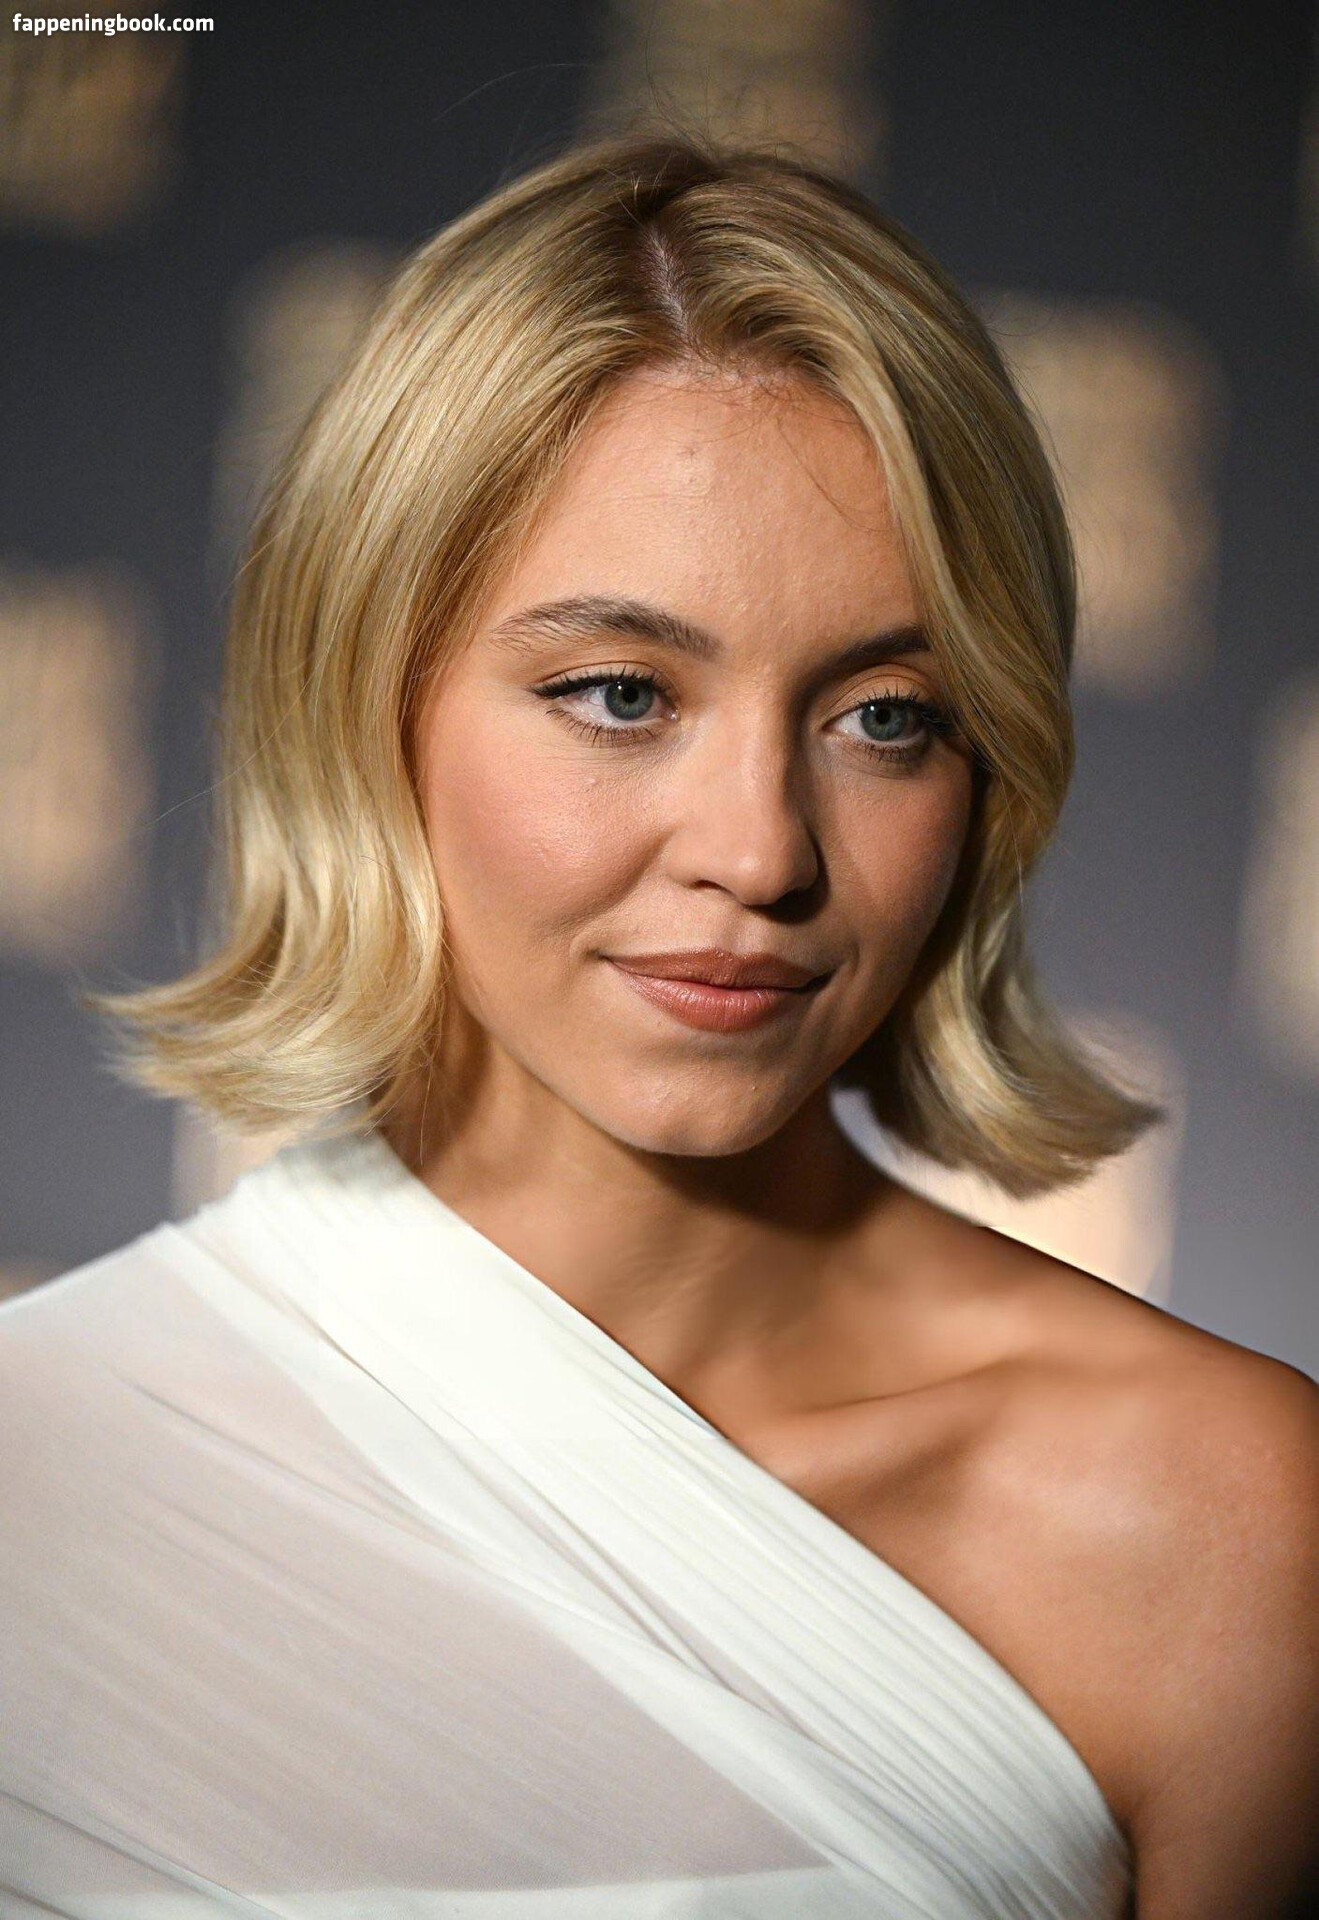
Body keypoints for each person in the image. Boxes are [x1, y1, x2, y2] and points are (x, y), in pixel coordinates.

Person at [2, 132, 1315, 1920]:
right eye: (622, 694)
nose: (760, 852)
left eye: (885, 717)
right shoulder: (38, 1470)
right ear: (365, 700)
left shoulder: (1216, 1518)